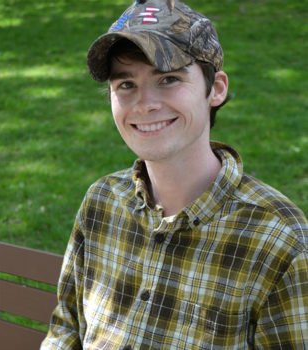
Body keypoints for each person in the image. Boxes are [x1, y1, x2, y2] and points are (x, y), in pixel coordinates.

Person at [41, 0, 308, 348]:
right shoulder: (101, 201)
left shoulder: (278, 240)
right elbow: (67, 328)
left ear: (216, 89)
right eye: (126, 84)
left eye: (168, 78)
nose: (144, 103)